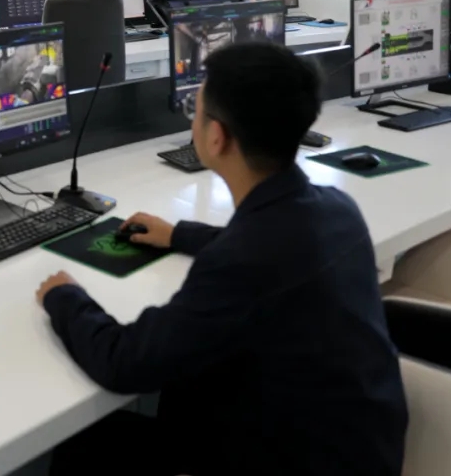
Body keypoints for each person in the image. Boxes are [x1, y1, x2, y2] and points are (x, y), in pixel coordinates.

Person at [36, 42, 407, 476]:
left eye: (194, 110)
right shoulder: (336, 208)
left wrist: (65, 298)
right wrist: (179, 234)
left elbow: (124, 363)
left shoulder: (239, 263)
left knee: (84, 448)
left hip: (296, 462)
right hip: (359, 447)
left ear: (217, 136)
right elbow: (274, 247)